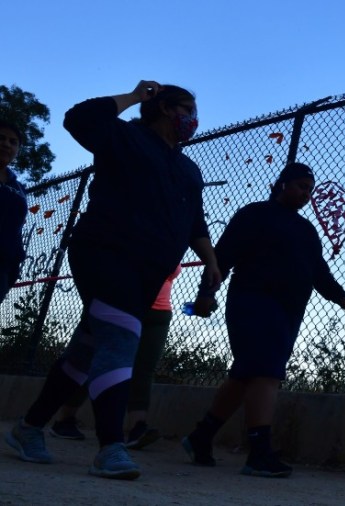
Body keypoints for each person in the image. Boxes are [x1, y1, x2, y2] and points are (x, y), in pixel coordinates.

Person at [3, 81, 221, 481]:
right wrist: (137, 97)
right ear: (163, 109)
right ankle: (110, 447)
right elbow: (79, 119)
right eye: (185, 109)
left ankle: (28, 428)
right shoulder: (125, 137)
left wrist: (211, 261)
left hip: (148, 271)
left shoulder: (188, 168)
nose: (192, 119)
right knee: (121, 339)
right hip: (104, 253)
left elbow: (195, 221)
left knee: (87, 352)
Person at [182, 162, 345, 478]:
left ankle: (200, 436)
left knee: (247, 374)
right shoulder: (254, 214)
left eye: (310, 190)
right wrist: (206, 293)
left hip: (290, 311)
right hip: (252, 302)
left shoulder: (306, 230)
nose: (306, 194)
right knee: (266, 372)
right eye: (301, 186)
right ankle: (259, 452)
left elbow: (318, 271)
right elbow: (223, 256)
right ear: (282, 184)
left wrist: (340, 296)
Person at [50, 265, 182, 450]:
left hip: (159, 312)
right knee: (96, 361)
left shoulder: (176, 239)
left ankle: (137, 427)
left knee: (144, 368)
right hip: (121, 304)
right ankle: (65, 418)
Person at [0, 118, 27, 305]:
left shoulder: (18, 188)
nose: (6, 144)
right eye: (1, 138)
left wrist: (14, 266)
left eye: (13, 142)